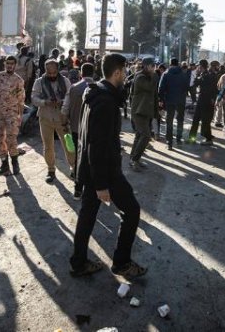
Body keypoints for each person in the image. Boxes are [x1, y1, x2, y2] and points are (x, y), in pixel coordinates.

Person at [70, 53, 146, 278]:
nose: (127, 75)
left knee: (87, 215)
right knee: (131, 210)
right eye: (125, 71)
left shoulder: (95, 93)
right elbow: (97, 145)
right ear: (117, 72)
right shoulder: (105, 101)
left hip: (92, 168)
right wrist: (102, 185)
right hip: (103, 171)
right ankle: (121, 263)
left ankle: (78, 262)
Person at [32, 58, 75, 183]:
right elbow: (34, 98)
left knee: (68, 145)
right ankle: (51, 170)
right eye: (49, 73)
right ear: (45, 71)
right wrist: (45, 102)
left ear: (57, 70)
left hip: (62, 118)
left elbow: (69, 96)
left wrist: (62, 103)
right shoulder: (39, 82)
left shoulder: (65, 81)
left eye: (54, 73)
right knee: (48, 146)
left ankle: (74, 168)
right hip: (45, 117)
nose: (51, 75)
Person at [63, 63, 95, 199]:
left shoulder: (73, 88)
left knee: (79, 158)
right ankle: (92, 188)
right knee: (92, 159)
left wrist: (64, 123)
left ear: (81, 73)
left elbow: (65, 108)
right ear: (94, 74)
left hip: (76, 129)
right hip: (93, 130)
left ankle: (78, 189)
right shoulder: (98, 88)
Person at [129, 57, 157, 171]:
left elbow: (153, 94)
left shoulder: (147, 76)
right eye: (152, 66)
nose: (154, 68)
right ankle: (134, 160)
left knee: (140, 135)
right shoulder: (140, 77)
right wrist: (155, 75)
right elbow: (150, 87)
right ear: (146, 66)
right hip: (138, 111)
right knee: (146, 135)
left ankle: (134, 159)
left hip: (144, 111)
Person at [158, 58, 187, 150]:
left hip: (169, 100)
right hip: (181, 100)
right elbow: (186, 87)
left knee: (169, 120)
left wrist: (161, 99)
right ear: (178, 64)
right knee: (180, 120)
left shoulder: (166, 74)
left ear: (170, 64)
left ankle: (169, 142)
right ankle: (178, 138)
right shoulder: (183, 74)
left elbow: (161, 88)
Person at [188, 59, 217, 146]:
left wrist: (196, 75)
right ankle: (192, 138)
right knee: (196, 119)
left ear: (201, 66)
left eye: (199, 66)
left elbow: (195, 83)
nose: (197, 68)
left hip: (206, 101)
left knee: (205, 121)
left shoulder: (207, 75)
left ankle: (208, 139)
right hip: (202, 100)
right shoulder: (205, 74)